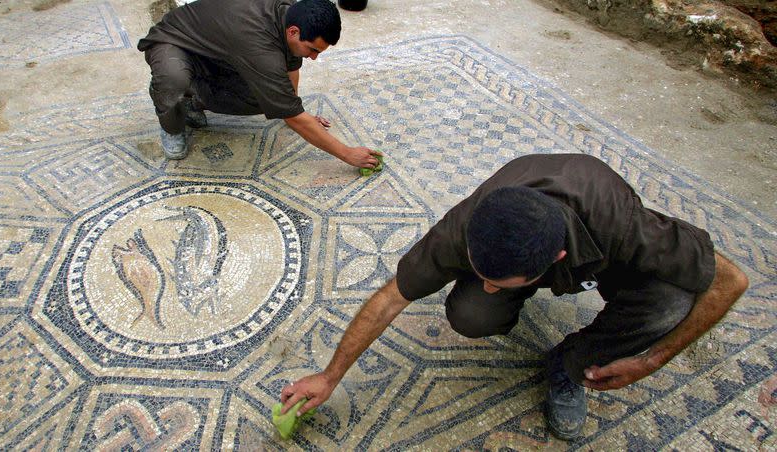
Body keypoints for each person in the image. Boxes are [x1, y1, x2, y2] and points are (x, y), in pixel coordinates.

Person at [279, 153, 749, 440]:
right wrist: (330, 375)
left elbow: (732, 281)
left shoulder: (626, 227)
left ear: (556, 260)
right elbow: (388, 300)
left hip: (603, 238)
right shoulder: (462, 230)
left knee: (669, 302)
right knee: (472, 312)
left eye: (497, 281)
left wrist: (651, 360)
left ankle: (567, 365)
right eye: (480, 272)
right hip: (535, 232)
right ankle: (510, 301)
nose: (483, 283)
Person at [137, 0, 381, 167]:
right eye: (313, 49)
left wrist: (295, 108)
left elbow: (290, 68)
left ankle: (193, 100)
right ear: (294, 32)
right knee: (174, 79)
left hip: (218, 52)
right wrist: (347, 154)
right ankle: (173, 119)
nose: (315, 57)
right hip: (174, 42)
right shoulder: (259, 44)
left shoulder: (289, 14)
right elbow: (291, 116)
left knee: (264, 98)